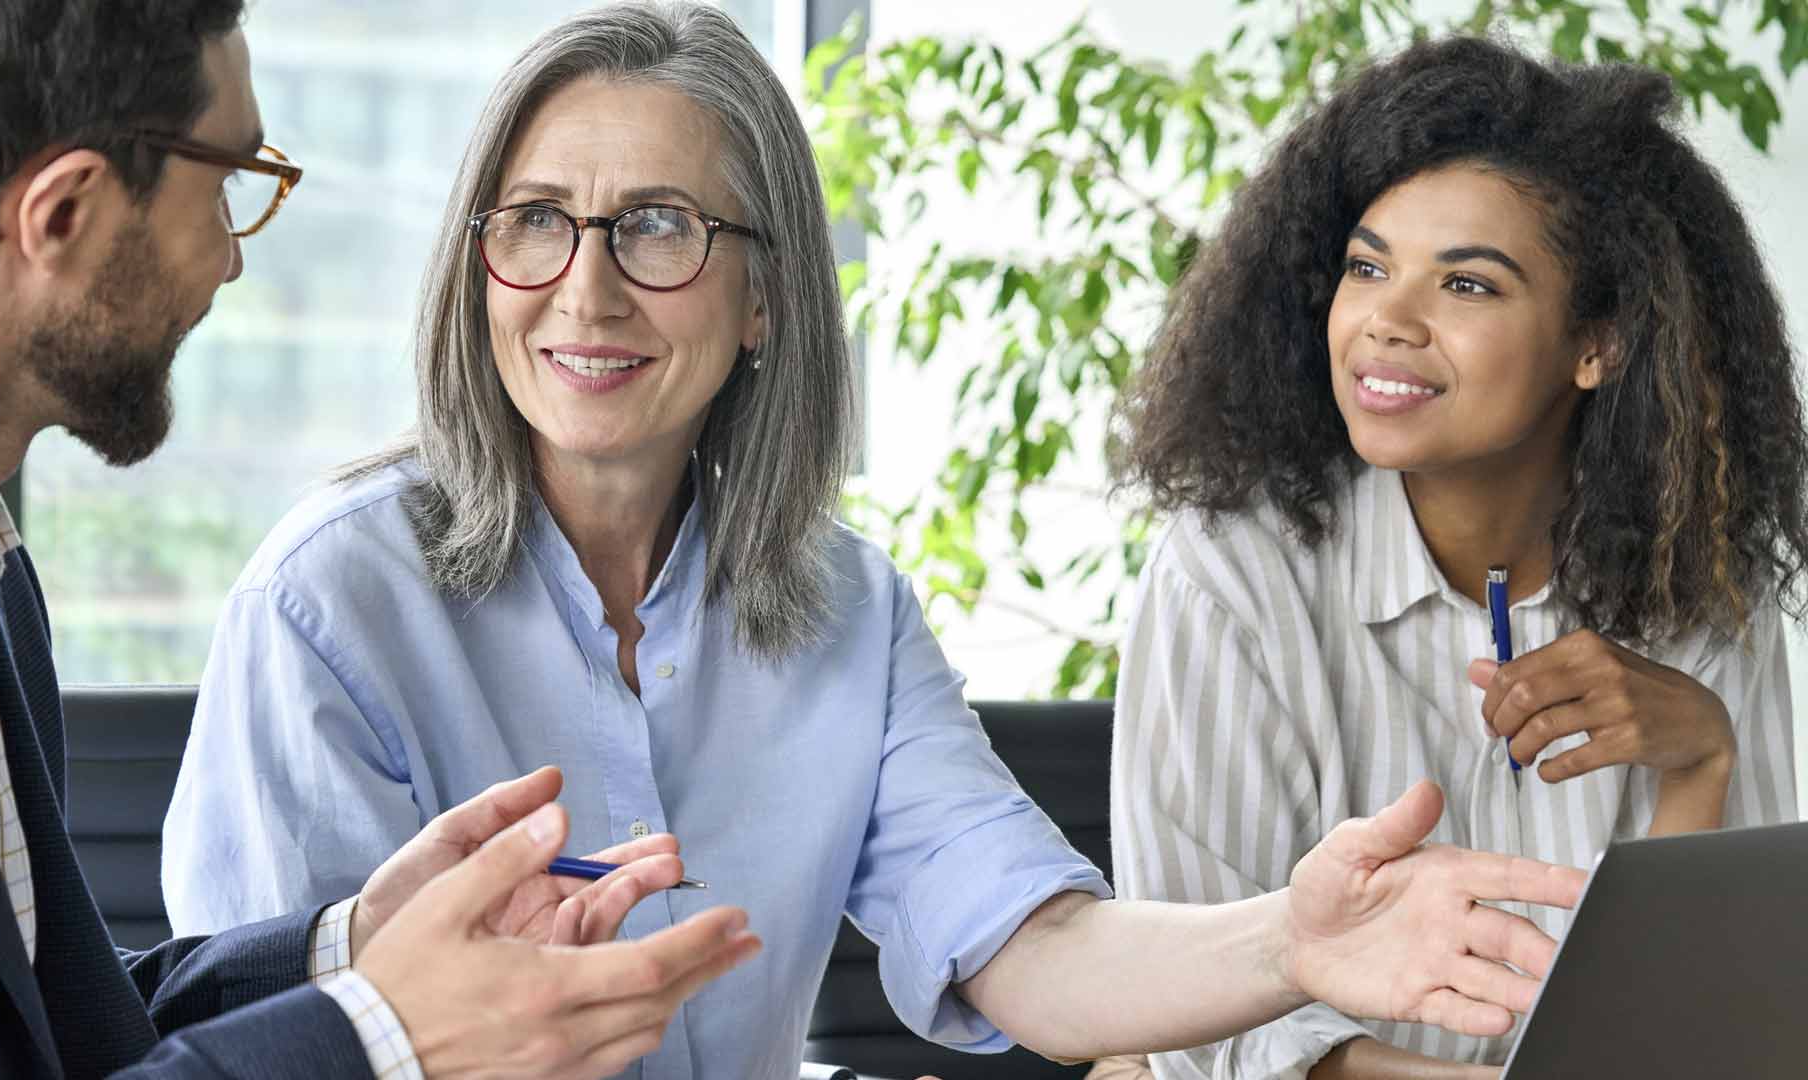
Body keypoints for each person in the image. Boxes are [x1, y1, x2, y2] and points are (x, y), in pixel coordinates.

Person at [160, 5, 1588, 1078]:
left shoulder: (845, 604)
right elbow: (290, 1043)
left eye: (657, 228)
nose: (584, 289)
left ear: (767, 298)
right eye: (537, 222)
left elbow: (1031, 950)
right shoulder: (330, 601)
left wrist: (1295, 942)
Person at [0, 3, 765, 1077]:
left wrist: (355, 943)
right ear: (66, 212)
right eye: (223, 189)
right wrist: (387, 1038)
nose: (230, 263)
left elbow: (57, 1039)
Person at [1093, 33, 1803, 1080]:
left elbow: (1719, 1018)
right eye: (1367, 266)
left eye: (1468, 286)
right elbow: (1190, 1024)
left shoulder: (1695, 571)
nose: (1387, 319)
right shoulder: (1231, 576)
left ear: (1597, 342)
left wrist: (1697, 762)